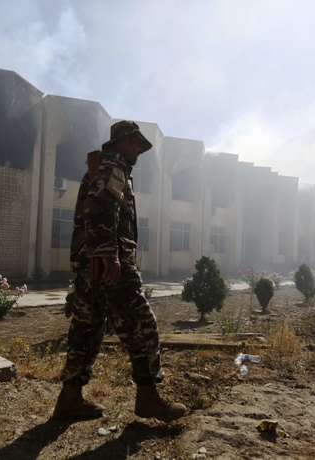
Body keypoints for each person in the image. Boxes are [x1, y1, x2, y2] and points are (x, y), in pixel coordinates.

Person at [53, 121, 186, 422]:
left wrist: (98, 255)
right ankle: (148, 398)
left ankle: (69, 398)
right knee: (142, 325)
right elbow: (100, 205)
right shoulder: (114, 164)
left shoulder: (107, 165)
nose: (140, 149)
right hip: (110, 263)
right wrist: (109, 254)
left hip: (92, 264)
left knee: (86, 329)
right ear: (122, 141)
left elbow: (95, 205)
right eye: (136, 143)